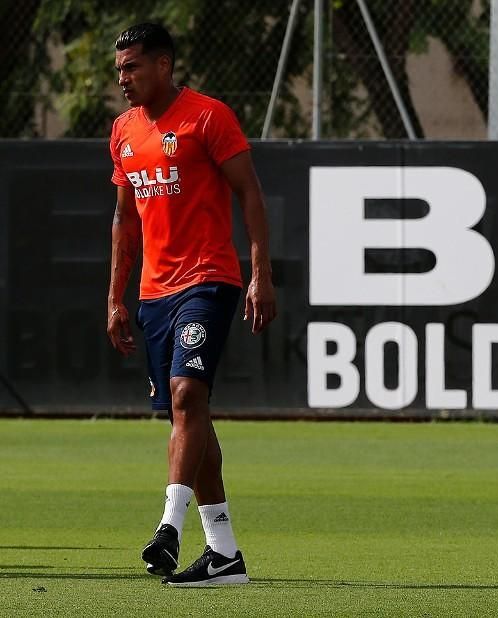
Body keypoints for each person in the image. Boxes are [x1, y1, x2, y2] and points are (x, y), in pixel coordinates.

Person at [106, 22, 276, 587]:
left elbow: (249, 189)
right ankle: (225, 556)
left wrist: (260, 273)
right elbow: (125, 219)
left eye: (132, 67)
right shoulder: (123, 131)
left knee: (188, 394)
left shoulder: (208, 116)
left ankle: (169, 527)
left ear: (163, 65)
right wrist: (115, 299)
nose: (123, 78)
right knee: (191, 421)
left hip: (208, 280)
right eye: (120, 69)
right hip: (153, 293)